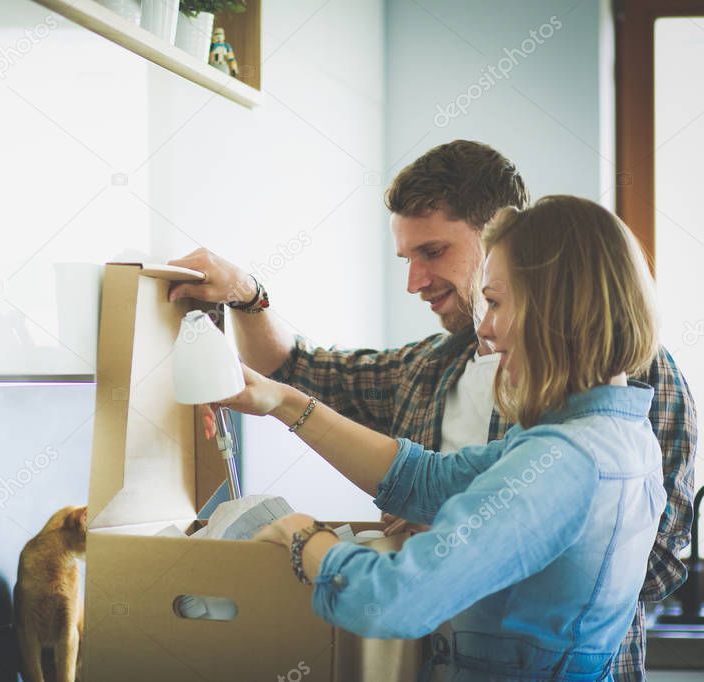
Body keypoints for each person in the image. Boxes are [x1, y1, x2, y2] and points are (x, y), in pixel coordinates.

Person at [166, 141, 696, 681]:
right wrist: (268, 359)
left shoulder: (569, 452)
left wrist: (310, 535)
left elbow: (395, 596)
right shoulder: (597, 422)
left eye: (435, 253)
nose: (484, 329)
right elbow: (419, 471)